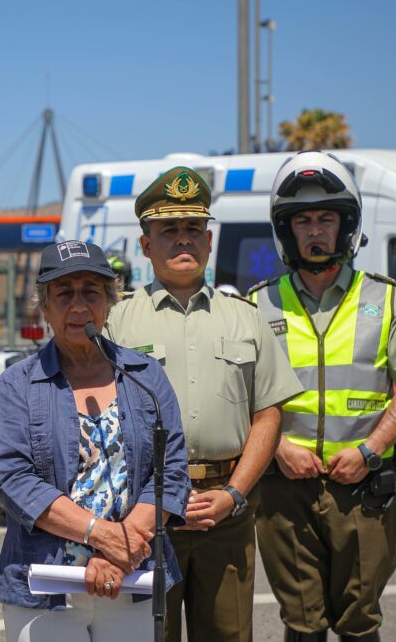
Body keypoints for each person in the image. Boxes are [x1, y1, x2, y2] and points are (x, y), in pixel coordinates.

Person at [249, 151, 396, 641]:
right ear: (287, 230)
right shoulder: (257, 303)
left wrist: (368, 451)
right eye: (304, 221)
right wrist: (279, 449)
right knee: (301, 621)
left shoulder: (385, 299)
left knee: (359, 619)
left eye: (326, 219)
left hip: (362, 490)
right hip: (283, 488)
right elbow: (239, 395)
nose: (315, 231)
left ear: (346, 226)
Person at [105, 167, 304, 642]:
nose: (182, 240)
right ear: (145, 245)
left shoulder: (247, 319)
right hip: (146, 516)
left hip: (226, 515)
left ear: (209, 241)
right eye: (168, 230)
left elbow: (268, 414)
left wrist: (234, 494)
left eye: (193, 228)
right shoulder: (115, 323)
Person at [0, 239, 191, 641]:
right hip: (46, 584)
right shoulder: (18, 384)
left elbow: (171, 471)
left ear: (110, 302)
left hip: (131, 580)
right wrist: (103, 537)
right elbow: (14, 481)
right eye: (64, 293)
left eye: (91, 292)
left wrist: (124, 551)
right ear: (44, 307)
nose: (79, 305)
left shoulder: (145, 376)